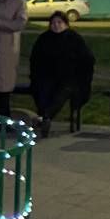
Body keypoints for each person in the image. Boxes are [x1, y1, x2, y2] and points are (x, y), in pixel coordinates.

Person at [28, 10, 95, 138]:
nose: (56, 25)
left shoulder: (74, 38)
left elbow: (87, 59)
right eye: (53, 23)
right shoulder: (44, 38)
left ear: (66, 24)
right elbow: (35, 60)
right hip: (47, 76)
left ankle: (45, 117)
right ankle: (44, 118)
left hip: (70, 78)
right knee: (41, 89)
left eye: (60, 22)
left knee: (63, 92)